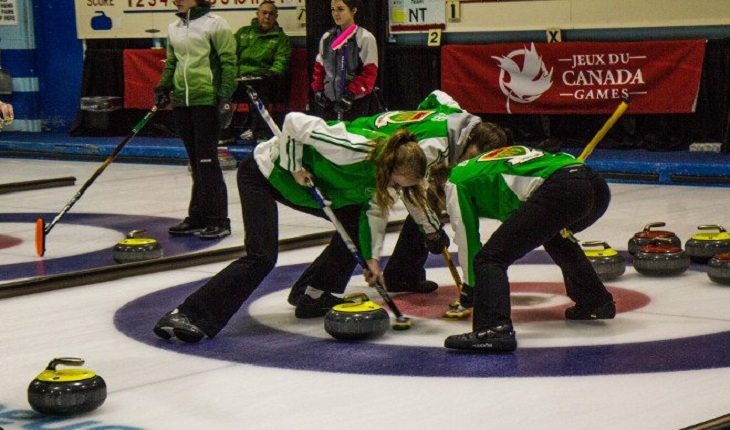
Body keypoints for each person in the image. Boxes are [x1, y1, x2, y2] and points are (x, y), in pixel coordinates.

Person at [153, 113, 429, 343]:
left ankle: (313, 294)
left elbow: (372, 216)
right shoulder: (354, 148)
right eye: (397, 184)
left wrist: (371, 260)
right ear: (390, 167)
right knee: (261, 257)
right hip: (263, 175)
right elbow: (294, 123)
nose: (396, 190)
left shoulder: (379, 180)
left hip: (306, 192)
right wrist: (295, 166)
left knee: (354, 227)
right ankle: (188, 313)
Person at [287, 90, 503, 306]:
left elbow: (436, 95)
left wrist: (416, 121)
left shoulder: (460, 119)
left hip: (390, 152)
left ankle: (402, 275)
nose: (468, 164)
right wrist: (431, 232)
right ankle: (308, 290)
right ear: (472, 140)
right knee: (358, 223)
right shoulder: (432, 147)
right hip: (367, 153)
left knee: (427, 214)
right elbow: (412, 192)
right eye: (471, 158)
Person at [440, 135, 615, 353]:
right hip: (591, 183)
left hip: (561, 187)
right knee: (554, 236)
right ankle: (594, 301)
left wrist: (470, 286)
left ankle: (494, 328)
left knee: (490, 257)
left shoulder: (455, 181)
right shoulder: (484, 165)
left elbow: (467, 237)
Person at [154, 0, 237, 240]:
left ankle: (219, 220)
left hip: (207, 100)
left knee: (208, 161)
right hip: (183, 102)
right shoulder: (174, 27)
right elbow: (172, 63)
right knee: (195, 162)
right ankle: (198, 216)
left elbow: (229, 63)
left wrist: (225, 97)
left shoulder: (215, 24)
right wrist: (163, 87)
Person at [228, 0, 291, 143]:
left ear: (276, 17)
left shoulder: (281, 39)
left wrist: (269, 74)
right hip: (239, 79)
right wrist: (232, 74)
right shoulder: (242, 33)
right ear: (257, 14)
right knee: (221, 90)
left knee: (261, 90)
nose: (267, 17)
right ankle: (225, 133)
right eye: (264, 13)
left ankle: (261, 133)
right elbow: (230, 56)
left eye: (271, 14)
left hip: (264, 80)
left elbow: (281, 61)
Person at [311, 0, 377, 121]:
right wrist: (318, 90)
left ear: (353, 10)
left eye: (340, 9)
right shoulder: (327, 38)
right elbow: (319, 69)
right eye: (333, 10)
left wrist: (350, 94)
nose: (336, 14)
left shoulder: (365, 38)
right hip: (329, 103)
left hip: (356, 103)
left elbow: (369, 74)